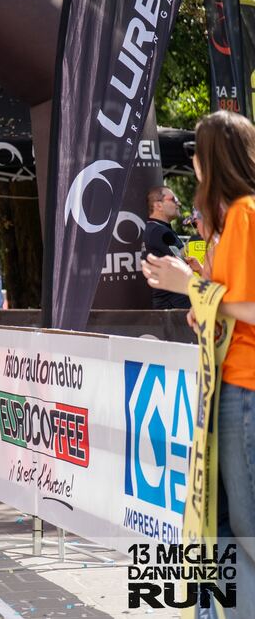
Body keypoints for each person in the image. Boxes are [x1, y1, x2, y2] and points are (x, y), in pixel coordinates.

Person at [142, 111, 255, 618]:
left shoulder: (246, 214)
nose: (192, 163)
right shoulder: (234, 220)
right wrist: (201, 304)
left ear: (214, 157)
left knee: (243, 532)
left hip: (244, 388)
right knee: (225, 527)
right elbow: (230, 303)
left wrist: (188, 285)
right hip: (228, 386)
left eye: (196, 152)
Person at [142, 185, 194, 309]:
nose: (179, 203)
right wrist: (198, 239)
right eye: (173, 199)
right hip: (173, 303)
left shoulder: (157, 228)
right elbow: (182, 258)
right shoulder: (158, 231)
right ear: (158, 205)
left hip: (172, 301)